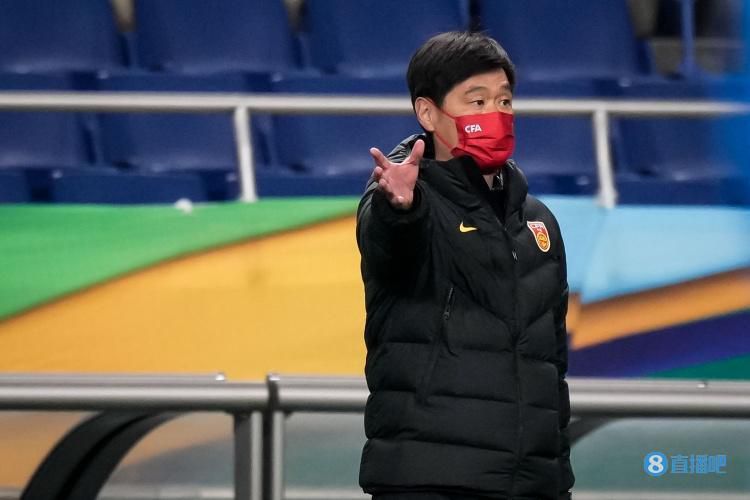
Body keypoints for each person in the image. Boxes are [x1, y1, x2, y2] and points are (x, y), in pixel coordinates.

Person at [356, 31, 575, 500]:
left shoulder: (538, 221)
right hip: (430, 478)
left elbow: (550, 363)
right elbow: (394, 246)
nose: (494, 114)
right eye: (475, 102)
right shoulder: (405, 202)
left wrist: (556, 478)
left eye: (504, 100)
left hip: (532, 483)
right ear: (428, 113)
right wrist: (400, 209)